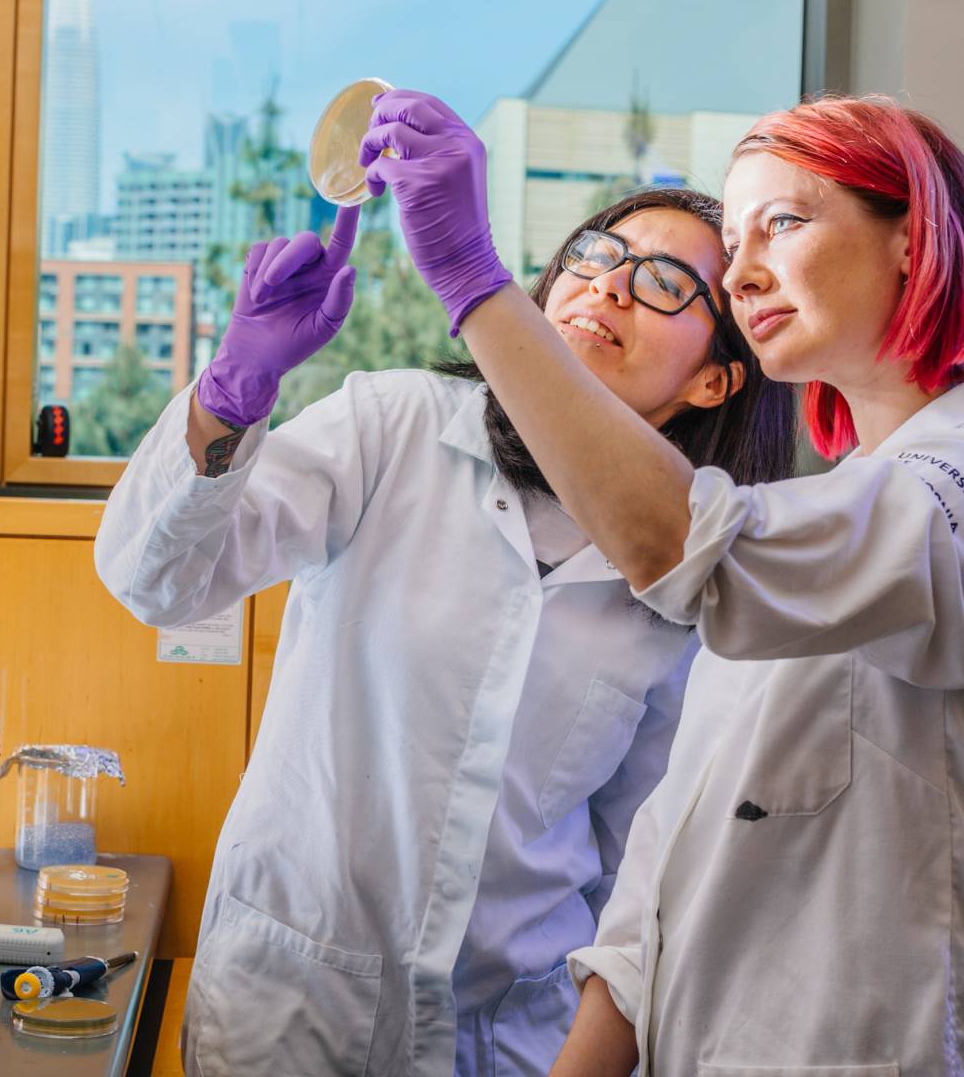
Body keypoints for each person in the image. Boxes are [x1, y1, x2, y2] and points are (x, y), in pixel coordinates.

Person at [94, 185, 794, 1075]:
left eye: (663, 282)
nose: (611, 287)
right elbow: (155, 581)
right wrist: (231, 394)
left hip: (511, 1036)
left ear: (714, 377)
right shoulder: (393, 426)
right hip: (289, 1010)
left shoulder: (695, 574)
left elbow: (636, 867)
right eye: (597, 254)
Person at [364, 89, 964, 1074]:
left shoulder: (942, 496)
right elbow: (661, 879)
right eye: (735, 242)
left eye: (785, 220)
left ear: (915, 238)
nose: (743, 271)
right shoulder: (846, 505)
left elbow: (681, 543)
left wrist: (476, 281)